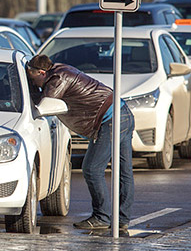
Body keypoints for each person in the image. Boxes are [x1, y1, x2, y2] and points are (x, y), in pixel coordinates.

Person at [26, 54, 135, 230]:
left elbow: (44, 104)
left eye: (32, 78)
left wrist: (30, 92)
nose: (34, 83)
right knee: (124, 171)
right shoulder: (60, 69)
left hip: (110, 120)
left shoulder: (57, 79)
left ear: (40, 72)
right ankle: (122, 219)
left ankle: (102, 217)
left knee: (92, 169)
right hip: (122, 113)